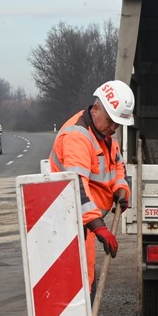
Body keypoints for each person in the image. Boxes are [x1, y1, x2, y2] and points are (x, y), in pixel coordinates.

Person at [49, 80, 134, 301]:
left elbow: (117, 165)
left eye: (118, 124)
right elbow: (77, 186)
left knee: (86, 278)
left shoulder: (103, 131)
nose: (114, 128)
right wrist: (99, 227)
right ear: (96, 108)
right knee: (81, 282)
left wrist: (121, 190)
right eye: (111, 122)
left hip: (87, 219)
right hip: (73, 221)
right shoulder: (78, 137)